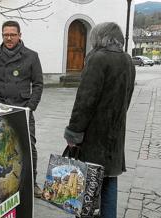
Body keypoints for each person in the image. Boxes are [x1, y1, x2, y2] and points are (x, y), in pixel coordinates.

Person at [63, 22, 136, 218]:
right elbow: (127, 99)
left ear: (99, 38)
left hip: (93, 136)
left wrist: (73, 133)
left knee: (86, 183)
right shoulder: (128, 60)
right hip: (115, 134)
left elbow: (85, 101)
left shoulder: (97, 59)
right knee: (110, 181)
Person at [0, 20, 44, 197]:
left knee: (29, 146)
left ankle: (32, 183)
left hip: (23, 109)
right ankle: (2, 184)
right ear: (2, 35)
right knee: (0, 147)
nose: (9, 38)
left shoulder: (31, 56)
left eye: (12, 35)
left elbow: (38, 84)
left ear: (19, 35)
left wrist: (31, 107)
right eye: (5, 35)